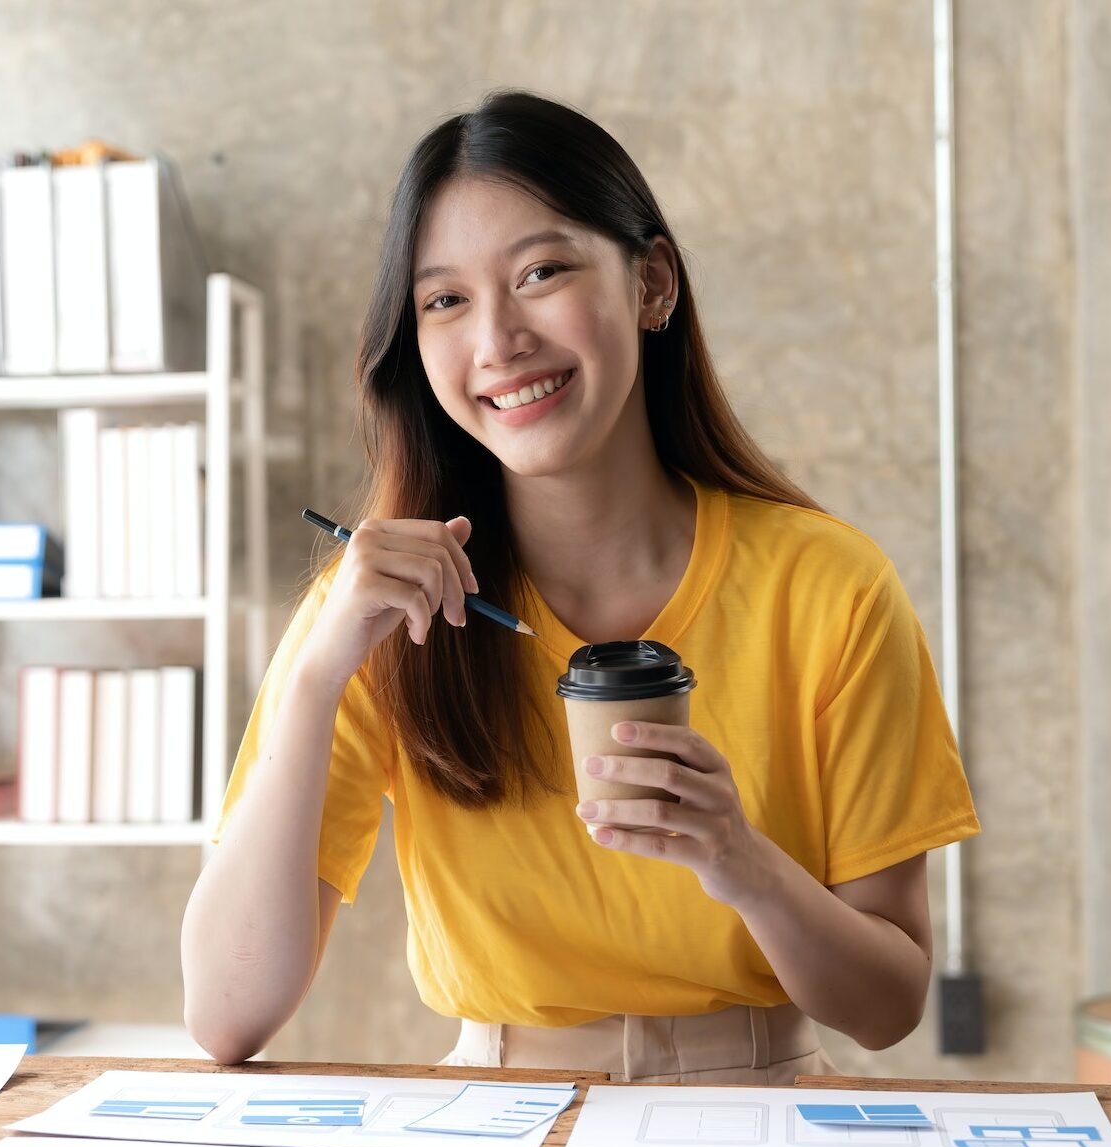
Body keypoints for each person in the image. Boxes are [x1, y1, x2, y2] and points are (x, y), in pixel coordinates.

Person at [180, 89, 980, 1084]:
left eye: (541, 272)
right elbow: (224, 1014)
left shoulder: (829, 585)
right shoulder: (374, 613)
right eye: (445, 300)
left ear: (651, 283)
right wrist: (316, 674)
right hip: (498, 1132)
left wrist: (740, 858)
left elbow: (889, 1004)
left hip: (767, 1122)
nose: (497, 338)